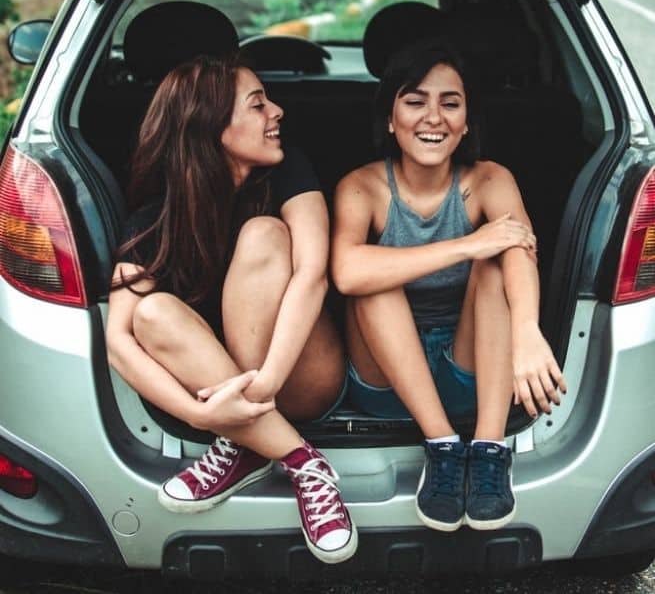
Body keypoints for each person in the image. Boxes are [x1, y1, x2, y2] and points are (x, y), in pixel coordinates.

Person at [105, 54, 357, 564]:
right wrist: (203, 414)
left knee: (264, 234)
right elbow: (118, 342)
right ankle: (300, 461)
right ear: (213, 125)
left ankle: (244, 443)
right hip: (223, 398)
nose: (277, 112)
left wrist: (260, 389)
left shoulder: (290, 174)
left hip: (302, 375)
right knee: (149, 314)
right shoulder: (155, 217)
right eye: (258, 104)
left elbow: (314, 275)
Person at [331, 40, 567, 532]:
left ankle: (487, 448)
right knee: (376, 277)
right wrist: (467, 244)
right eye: (415, 101)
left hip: (473, 375)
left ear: (467, 123)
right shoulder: (362, 186)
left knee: (498, 263)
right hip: (386, 381)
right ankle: (441, 445)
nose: (433, 117)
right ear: (391, 119)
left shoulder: (490, 178)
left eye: (450, 103)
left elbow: (520, 248)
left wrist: (526, 333)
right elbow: (347, 273)